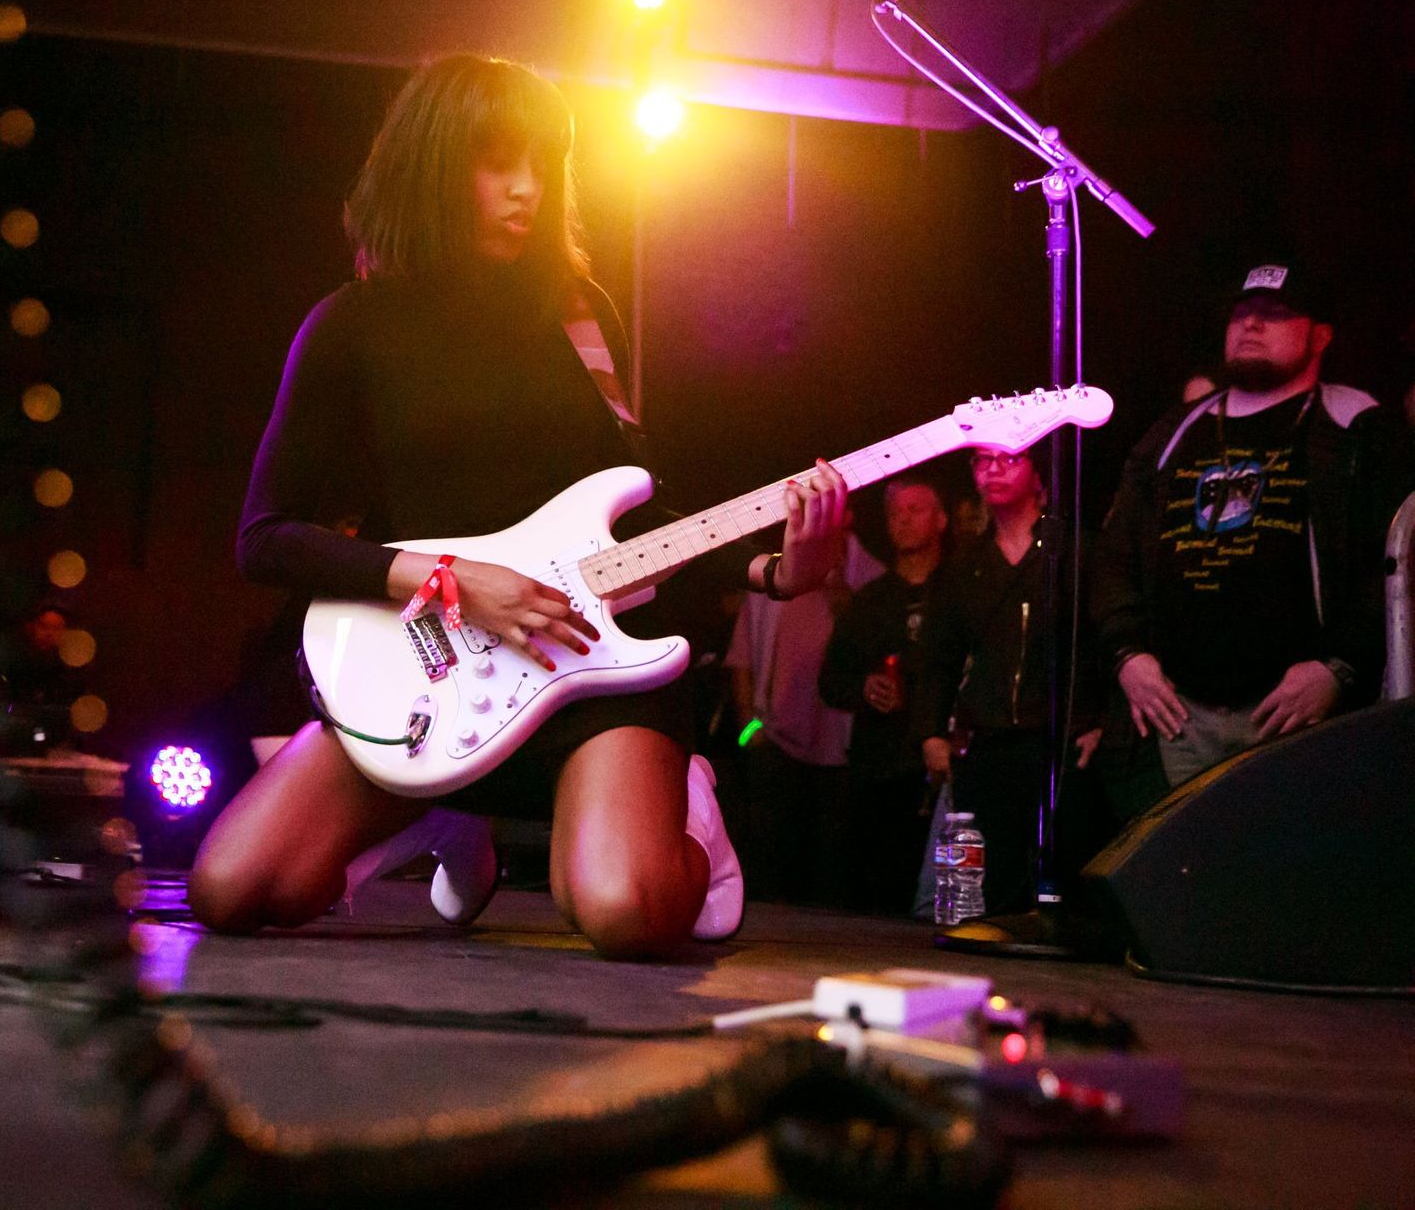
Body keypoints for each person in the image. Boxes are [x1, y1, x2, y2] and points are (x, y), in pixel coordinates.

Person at [188, 55, 847, 958]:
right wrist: (454, 581)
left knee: (624, 911)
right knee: (230, 889)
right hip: (432, 677)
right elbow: (265, 540)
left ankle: (692, 821)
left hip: (588, 671)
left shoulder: (578, 314)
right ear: (431, 164)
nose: (528, 190)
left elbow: (641, 519)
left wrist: (775, 572)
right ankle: (439, 819)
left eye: (544, 164)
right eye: (500, 163)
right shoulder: (349, 326)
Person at [1090, 262, 1411, 791]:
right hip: (1179, 718)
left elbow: (1392, 561)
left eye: (1275, 314)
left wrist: (1340, 668)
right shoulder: (1173, 432)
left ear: (1321, 334)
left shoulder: (1357, 427)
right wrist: (1127, 655)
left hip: (1299, 717)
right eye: (1242, 313)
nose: (1251, 324)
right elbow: (1114, 555)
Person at [912, 445, 1100, 918]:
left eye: (1008, 459)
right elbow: (939, 657)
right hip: (988, 740)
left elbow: (1102, 642)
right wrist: (931, 731)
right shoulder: (964, 567)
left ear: (1039, 473)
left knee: (1057, 882)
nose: (992, 470)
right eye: (981, 461)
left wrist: (1099, 720)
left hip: (1060, 741)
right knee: (986, 884)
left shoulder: (1073, 552)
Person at [820, 475, 949, 913]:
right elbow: (830, 680)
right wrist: (863, 686)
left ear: (941, 519)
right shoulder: (871, 600)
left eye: (915, 509)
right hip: (879, 774)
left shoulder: (961, 590)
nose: (903, 520)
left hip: (942, 772)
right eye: (895, 513)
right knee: (878, 903)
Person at [727, 569, 853, 906]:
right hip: (771, 736)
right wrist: (747, 725)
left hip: (837, 748)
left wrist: (846, 598)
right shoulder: (771, 579)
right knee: (769, 844)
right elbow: (741, 656)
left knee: (826, 854)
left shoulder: (861, 576)